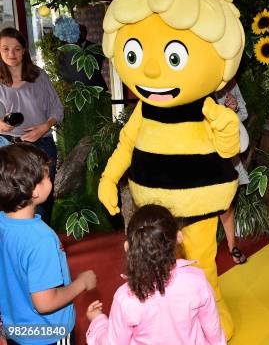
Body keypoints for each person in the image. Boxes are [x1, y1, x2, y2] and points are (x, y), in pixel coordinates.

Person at [85, 204, 225, 345]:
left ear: (127, 247)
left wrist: (98, 321)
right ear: (179, 237)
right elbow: (214, 334)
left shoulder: (125, 298)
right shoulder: (196, 281)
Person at [0, 143, 97, 345]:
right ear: (34, 191)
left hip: (16, 330)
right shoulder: (41, 239)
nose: (50, 179)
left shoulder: (3, 223)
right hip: (48, 334)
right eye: (46, 176)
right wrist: (81, 283)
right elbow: (45, 302)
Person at [0, 27, 64, 225]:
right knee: (12, 198)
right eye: (5, 49)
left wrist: (44, 127)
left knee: (43, 198)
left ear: (24, 51)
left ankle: (42, 240)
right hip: (8, 147)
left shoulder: (38, 76)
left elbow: (57, 110)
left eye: (17, 49)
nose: (11, 54)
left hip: (42, 145)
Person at [215, 79, 249, 264]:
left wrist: (234, 109)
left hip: (224, 152)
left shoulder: (230, 84)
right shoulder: (194, 83)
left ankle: (232, 246)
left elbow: (244, 113)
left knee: (225, 201)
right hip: (199, 149)